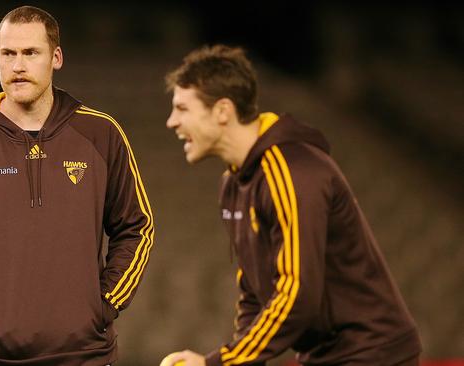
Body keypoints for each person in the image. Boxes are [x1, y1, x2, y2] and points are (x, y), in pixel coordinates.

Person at [0, 6, 154, 366]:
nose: (18, 65)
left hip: (88, 355)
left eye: (30, 53)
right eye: (7, 54)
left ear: (56, 58)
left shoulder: (102, 134)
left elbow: (136, 227)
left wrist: (105, 304)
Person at [159, 45, 421, 366]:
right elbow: (255, 293)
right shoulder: (234, 183)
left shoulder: (290, 171)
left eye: (182, 109)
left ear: (223, 111)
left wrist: (220, 363)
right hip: (327, 356)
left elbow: (296, 294)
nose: (172, 121)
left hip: (372, 354)